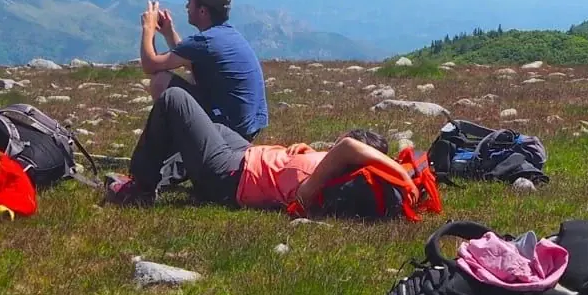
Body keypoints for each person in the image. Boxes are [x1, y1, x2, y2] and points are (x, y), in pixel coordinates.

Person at [105, 83, 406, 210]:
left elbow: (348, 148)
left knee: (174, 99)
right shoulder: (330, 169)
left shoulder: (317, 187)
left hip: (228, 176)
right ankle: (167, 177)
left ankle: (140, 188)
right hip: (245, 158)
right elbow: (341, 152)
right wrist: (299, 153)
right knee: (218, 128)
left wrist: (400, 174)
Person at [138, 0, 268, 141]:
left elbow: (150, 65)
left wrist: (148, 28)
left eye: (190, 1)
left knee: (160, 81)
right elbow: (191, 61)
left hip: (229, 131)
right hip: (246, 129)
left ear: (202, 11)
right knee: (195, 76)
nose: (186, 5)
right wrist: (169, 33)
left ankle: (177, 148)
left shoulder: (206, 41)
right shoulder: (225, 35)